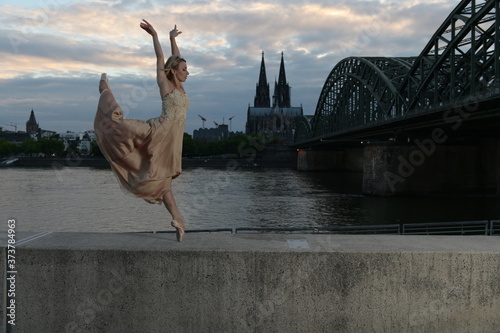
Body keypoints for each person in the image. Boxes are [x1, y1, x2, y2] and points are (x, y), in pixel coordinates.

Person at [94, 20, 190, 241]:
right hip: (157, 131)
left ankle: (178, 220)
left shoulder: (181, 86)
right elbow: (161, 61)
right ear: (173, 71)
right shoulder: (165, 84)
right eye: (184, 69)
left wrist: (173, 39)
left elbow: (176, 59)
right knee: (118, 123)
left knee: (163, 181)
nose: (188, 72)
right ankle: (104, 90)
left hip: (172, 140)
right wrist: (155, 36)